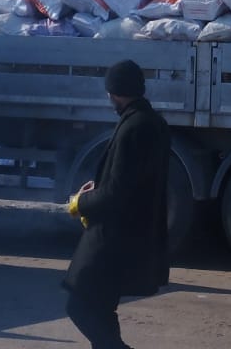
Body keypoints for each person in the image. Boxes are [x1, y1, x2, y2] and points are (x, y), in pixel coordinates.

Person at [64, 60, 171, 349]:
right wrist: (97, 190)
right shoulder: (151, 122)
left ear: (116, 92)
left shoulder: (135, 127)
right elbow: (131, 181)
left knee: (80, 306)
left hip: (114, 237)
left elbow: (117, 192)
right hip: (130, 232)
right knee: (99, 308)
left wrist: (81, 202)